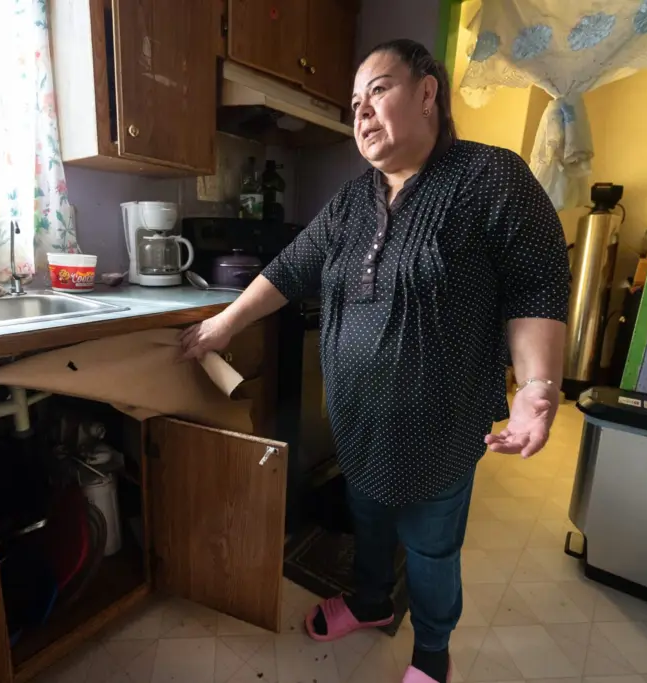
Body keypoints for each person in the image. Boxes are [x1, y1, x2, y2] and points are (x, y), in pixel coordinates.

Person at [180, 39, 570, 683]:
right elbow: (290, 268)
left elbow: (534, 283)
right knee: (368, 518)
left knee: (430, 546)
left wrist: (537, 385)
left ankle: (432, 655)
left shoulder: (490, 178)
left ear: (426, 93)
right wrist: (221, 323)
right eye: (355, 102)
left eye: (379, 90)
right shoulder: (352, 200)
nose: (361, 111)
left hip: (440, 426)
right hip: (359, 418)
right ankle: (368, 603)